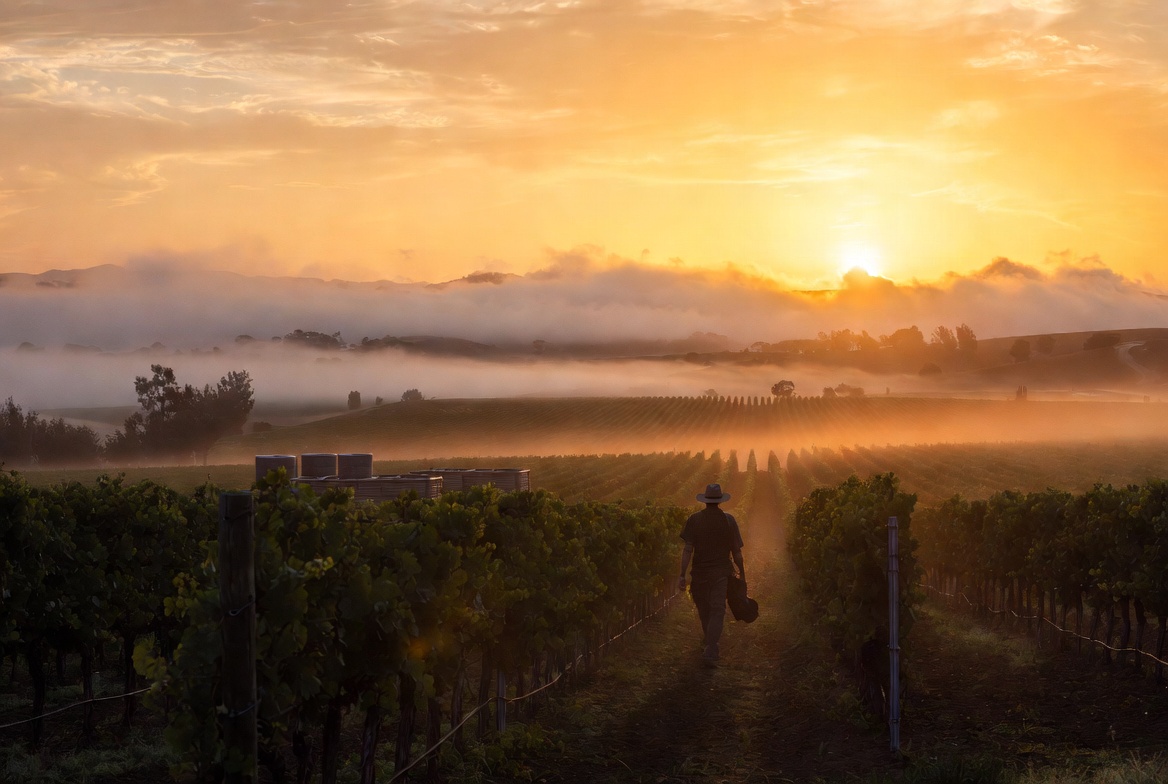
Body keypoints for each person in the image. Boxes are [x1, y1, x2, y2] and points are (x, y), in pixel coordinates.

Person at [678, 482, 745, 667]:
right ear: (720, 501)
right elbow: (737, 552)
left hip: (699, 573)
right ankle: (711, 645)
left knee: (705, 609)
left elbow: (688, 550)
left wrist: (682, 575)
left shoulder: (694, 519)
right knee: (717, 609)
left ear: (705, 501)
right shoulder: (729, 520)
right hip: (721, 573)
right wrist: (743, 575)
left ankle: (710, 644)